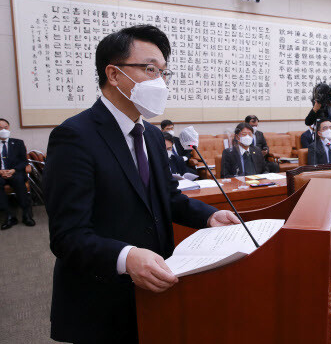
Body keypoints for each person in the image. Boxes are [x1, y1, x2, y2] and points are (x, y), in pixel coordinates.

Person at [43, 25, 240, 344]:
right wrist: (126, 256)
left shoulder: (149, 134)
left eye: (164, 72)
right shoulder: (74, 137)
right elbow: (67, 236)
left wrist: (207, 216)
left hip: (157, 286)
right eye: (149, 69)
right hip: (103, 296)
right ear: (114, 74)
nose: (160, 81)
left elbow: (169, 198)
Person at [0, 118, 34, 230]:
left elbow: (24, 161)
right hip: (0, 173)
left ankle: (26, 214)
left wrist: (13, 170)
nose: (3, 130)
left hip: (15, 172)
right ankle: (9, 216)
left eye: (5, 127)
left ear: (9, 128)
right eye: (0, 128)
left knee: (19, 180)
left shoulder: (18, 143)